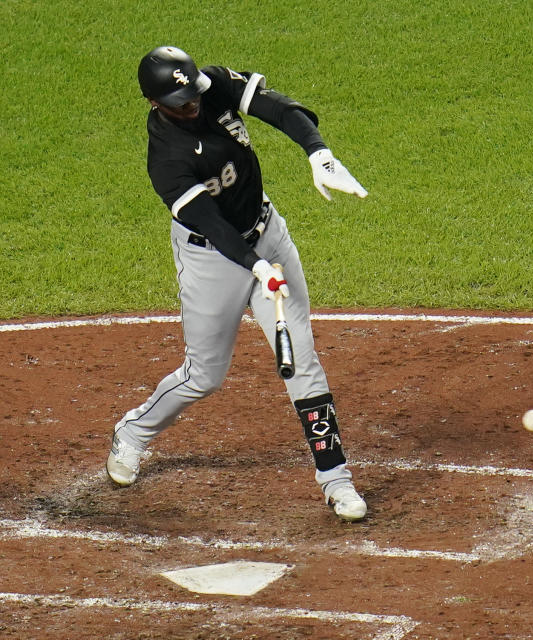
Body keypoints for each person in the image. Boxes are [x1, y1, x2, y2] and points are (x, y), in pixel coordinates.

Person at [106, 46, 368, 521]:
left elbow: (277, 106)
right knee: (205, 376)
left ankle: (336, 480)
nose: (194, 106)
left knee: (302, 360)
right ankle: (134, 432)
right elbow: (212, 223)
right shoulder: (166, 158)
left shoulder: (210, 85)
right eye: (181, 103)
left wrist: (318, 152)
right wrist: (256, 266)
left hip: (268, 234)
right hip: (213, 260)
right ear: (155, 103)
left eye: (194, 97)